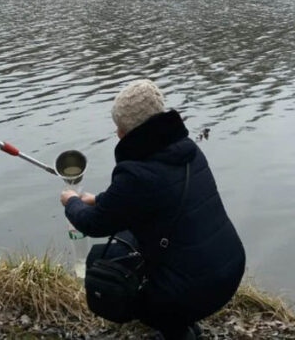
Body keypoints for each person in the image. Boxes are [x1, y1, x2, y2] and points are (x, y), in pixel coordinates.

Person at [60, 79, 246, 340]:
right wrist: (98, 199)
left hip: (197, 289)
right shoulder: (188, 150)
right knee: (129, 235)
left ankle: (177, 329)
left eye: (120, 127)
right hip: (230, 268)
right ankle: (184, 321)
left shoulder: (136, 174)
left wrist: (72, 202)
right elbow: (143, 198)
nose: (117, 133)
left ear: (131, 130)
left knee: (101, 267)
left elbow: (93, 224)